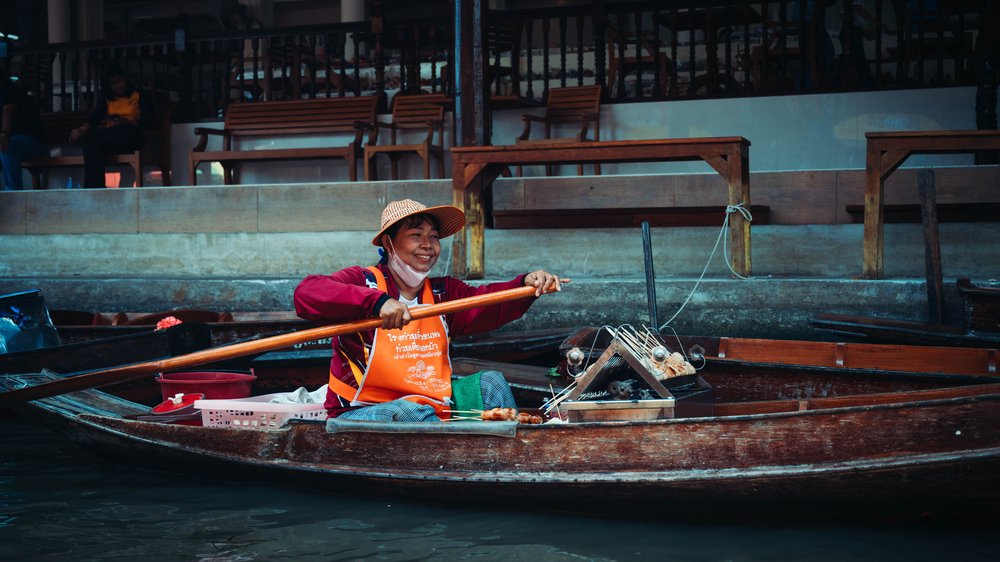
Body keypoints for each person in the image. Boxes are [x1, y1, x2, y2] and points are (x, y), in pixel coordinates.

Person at [294, 198, 564, 422]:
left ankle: (509, 458)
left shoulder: (443, 293)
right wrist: (376, 302)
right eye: (416, 236)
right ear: (389, 244)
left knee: (491, 382)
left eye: (433, 237)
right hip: (359, 411)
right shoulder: (362, 282)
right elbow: (307, 293)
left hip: (433, 405)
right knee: (412, 411)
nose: (428, 245)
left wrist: (524, 284)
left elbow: (487, 301)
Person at [69, 65, 152, 188]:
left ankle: (94, 189)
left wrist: (127, 121)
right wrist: (82, 130)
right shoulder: (108, 99)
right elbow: (94, 118)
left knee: (119, 132)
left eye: (118, 82)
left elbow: (148, 119)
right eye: (112, 84)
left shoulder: (139, 95)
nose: (116, 87)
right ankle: (94, 190)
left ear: (124, 79)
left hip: (132, 136)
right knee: (91, 142)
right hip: (113, 138)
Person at [0, 72, 46, 191]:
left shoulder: (8, 90)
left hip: (33, 142)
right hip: (14, 142)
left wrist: (4, 133)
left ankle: (13, 193)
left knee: (8, 145)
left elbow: (9, 109)